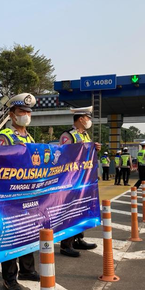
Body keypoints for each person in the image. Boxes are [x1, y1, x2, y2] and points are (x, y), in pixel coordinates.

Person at [0, 93, 40, 290]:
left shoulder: (29, 137)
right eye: (22, 111)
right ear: (12, 114)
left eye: (28, 112)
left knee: (29, 232)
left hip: (29, 194)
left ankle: (28, 270)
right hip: (11, 195)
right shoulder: (5, 137)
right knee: (12, 235)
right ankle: (9, 278)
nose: (26, 115)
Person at [58, 106, 100, 257]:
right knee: (70, 209)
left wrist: (95, 149)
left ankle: (78, 239)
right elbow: (64, 155)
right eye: (88, 118)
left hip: (84, 178)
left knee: (81, 208)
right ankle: (66, 244)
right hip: (71, 179)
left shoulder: (85, 135)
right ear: (81, 119)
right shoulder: (68, 135)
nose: (89, 121)